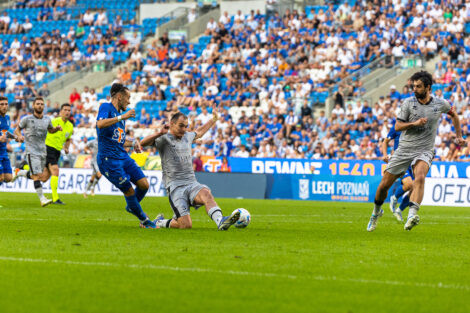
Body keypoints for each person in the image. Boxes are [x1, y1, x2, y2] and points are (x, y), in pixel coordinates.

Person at [367, 71, 465, 232]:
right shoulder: (407, 103)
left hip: (425, 149)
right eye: (413, 86)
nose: (414, 89)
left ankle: (412, 215)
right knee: (383, 186)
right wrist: (415, 123)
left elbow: (454, 115)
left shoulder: (440, 104)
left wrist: (459, 136)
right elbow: (398, 126)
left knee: (419, 177)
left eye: (418, 86)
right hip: (404, 149)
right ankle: (376, 213)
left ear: (428, 88)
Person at [140, 107, 240, 230]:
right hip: (175, 187)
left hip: (191, 183)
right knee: (186, 225)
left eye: (186, 126)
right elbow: (142, 143)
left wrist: (213, 119)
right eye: (181, 126)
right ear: (172, 124)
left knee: (206, 193)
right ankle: (159, 222)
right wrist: (159, 133)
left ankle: (220, 221)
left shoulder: (187, 136)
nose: (184, 130)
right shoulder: (163, 138)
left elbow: (200, 131)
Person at [96, 83, 156, 229]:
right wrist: (122, 116)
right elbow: (100, 124)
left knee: (144, 185)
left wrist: (132, 143)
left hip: (122, 156)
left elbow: (119, 140)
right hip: (108, 159)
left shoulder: (122, 118)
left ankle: (132, 206)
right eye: (128, 98)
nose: (129, 101)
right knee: (128, 189)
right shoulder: (106, 107)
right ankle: (145, 220)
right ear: (119, 96)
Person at [12, 97, 62, 207]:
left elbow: (50, 130)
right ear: (34, 106)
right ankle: (42, 198)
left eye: (41, 104)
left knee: (42, 177)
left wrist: (56, 129)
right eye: (38, 104)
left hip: (43, 151)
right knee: (36, 176)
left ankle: (19, 172)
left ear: (44, 107)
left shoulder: (47, 119)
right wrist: (20, 136)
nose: (40, 105)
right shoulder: (27, 119)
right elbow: (17, 129)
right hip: (31, 151)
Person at [381, 120, 413, 222]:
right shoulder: (396, 127)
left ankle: (399, 209)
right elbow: (385, 141)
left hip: (412, 161)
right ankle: (394, 198)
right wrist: (385, 154)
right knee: (409, 185)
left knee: (415, 190)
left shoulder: (415, 127)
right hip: (400, 161)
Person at [44, 103, 74, 204]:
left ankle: (22, 170)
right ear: (60, 112)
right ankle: (55, 198)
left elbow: (68, 138)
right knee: (56, 171)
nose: (67, 112)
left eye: (69, 110)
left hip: (57, 151)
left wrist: (66, 147)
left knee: (43, 177)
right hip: (48, 148)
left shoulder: (70, 126)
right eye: (65, 110)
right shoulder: (54, 121)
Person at [0, 97, 17, 189]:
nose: (4, 106)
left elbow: (6, 132)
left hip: (3, 152)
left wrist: (15, 137)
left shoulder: (7, 118)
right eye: (2, 104)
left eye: (6, 104)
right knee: (0, 177)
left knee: (8, 178)